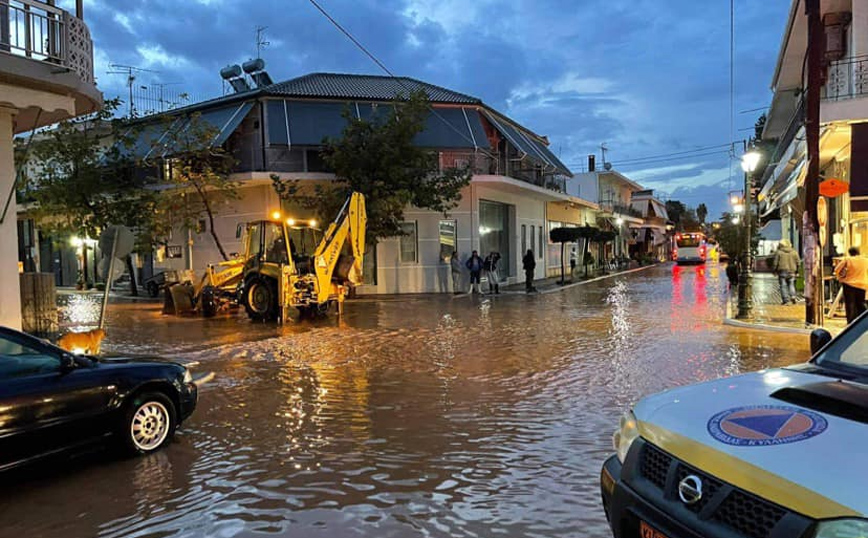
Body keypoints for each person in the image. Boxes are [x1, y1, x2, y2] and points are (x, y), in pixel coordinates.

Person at [834, 247, 868, 323]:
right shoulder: (866, 260)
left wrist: (840, 278)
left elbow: (837, 269)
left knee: (850, 304)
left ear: (850, 253)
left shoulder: (847, 260)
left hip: (849, 284)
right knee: (861, 303)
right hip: (862, 284)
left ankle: (851, 322)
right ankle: (863, 321)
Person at [772, 239, 800, 305]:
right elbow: (798, 262)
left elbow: (775, 263)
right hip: (792, 271)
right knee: (791, 284)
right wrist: (797, 271)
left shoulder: (779, 252)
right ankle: (793, 296)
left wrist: (774, 270)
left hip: (782, 271)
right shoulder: (794, 252)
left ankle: (786, 300)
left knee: (783, 286)